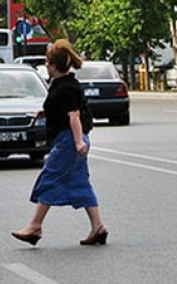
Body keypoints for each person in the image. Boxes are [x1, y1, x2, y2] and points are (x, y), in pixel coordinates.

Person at [12, 39, 108, 245]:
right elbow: (66, 111)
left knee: (50, 177)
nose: (46, 67)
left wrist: (78, 142)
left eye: (47, 63)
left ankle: (35, 226)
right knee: (80, 181)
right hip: (73, 139)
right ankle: (98, 227)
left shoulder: (63, 89)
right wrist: (45, 112)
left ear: (54, 66)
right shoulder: (67, 85)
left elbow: (73, 116)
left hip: (68, 141)